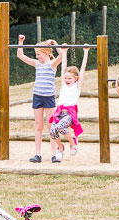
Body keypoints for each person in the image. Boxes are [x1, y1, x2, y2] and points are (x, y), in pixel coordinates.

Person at [16, 35, 65, 163]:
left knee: (51, 126)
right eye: (36, 54)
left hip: (48, 97)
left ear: (46, 53)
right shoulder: (37, 64)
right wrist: (21, 42)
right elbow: (20, 56)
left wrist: (55, 43)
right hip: (37, 96)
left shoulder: (52, 64)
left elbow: (61, 56)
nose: (37, 56)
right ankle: (37, 154)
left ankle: (54, 154)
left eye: (39, 54)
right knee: (39, 126)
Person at [48, 47, 89, 163]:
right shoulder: (64, 84)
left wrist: (85, 52)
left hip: (70, 114)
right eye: (65, 78)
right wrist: (64, 52)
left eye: (69, 78)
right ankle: (60, 148)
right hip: (60, 112)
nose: (66, 80)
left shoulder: (77, 86)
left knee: (60, 127)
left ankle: (73, 142)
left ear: (76, 78)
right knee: (52, 130)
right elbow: (63, 67)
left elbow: (83, 69)